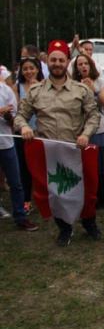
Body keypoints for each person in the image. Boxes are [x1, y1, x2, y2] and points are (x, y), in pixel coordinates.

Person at [15, 40, 101, 245]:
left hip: (75, 150)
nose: (57, 63)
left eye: (61, 60)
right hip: (50, 154)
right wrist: (25, 127)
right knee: (56, 192)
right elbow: (20, 116)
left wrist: (86, 134)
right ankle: (64, 228)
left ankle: (89, 223)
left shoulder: (81, 90)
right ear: (47, 62)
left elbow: (94, 117)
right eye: (53, 60)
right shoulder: (35, 92)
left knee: (85, 190)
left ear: (67, 62)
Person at [71, 53, 104, 209]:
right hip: (81, 128)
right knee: (89, 165)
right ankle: (92, 198)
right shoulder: (72, 84)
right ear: (76, 68)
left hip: (100, 126)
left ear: (90, 66)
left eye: (85, 63)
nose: (83, 66)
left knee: (103, 163)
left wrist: (94, 89)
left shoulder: (99, 81)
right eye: (80, 64)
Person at [0, 78, 37, 231]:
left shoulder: (5, 90)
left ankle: (20, 217)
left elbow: (14, 120)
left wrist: (7, 115)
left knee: (16, 182)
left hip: (6, 143)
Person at [12, 57, 44, 214]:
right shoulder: (16, 88)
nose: (29, 71)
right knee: (24, 169)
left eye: (32, 68)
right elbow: (14, 112)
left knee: (42, 168)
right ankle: (26, 200)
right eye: (25, 69)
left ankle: (46, 198)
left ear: (38, 69)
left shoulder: (45, 86)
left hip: (42, 133)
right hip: (22, 134)